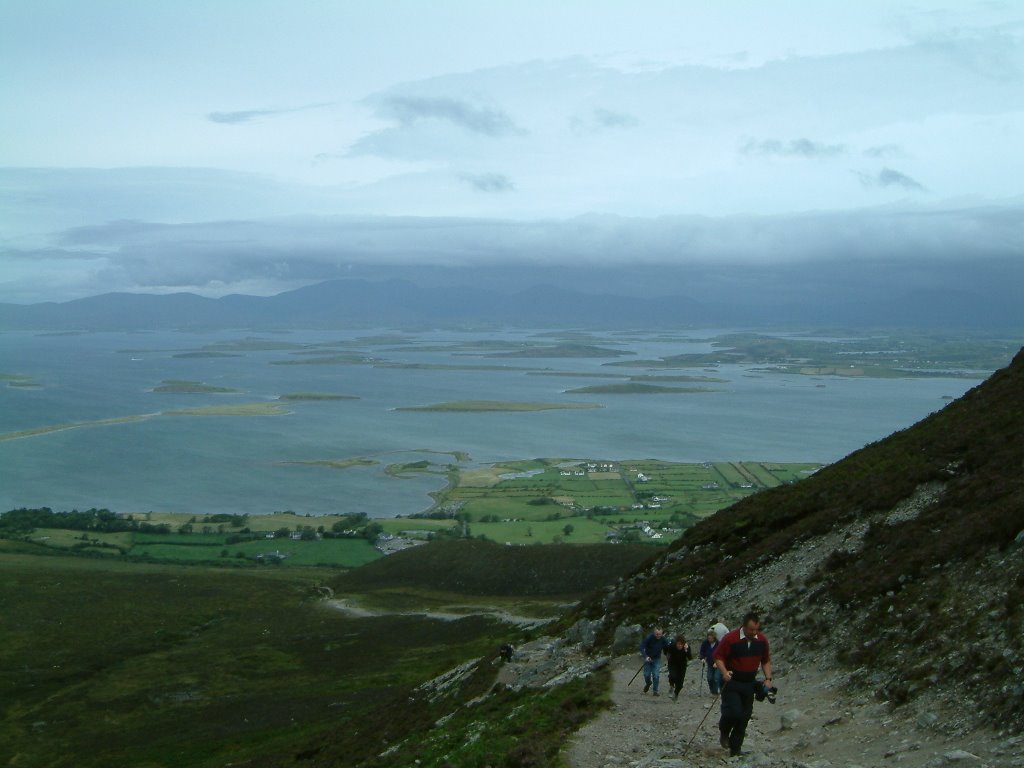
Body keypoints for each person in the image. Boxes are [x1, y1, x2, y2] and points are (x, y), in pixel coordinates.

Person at [713, 612, 773, 757]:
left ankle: (735, 749)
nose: (754, 632)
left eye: (756, 629)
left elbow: (765, 660)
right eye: (751, 629)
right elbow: (718, 656)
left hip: (749, 683)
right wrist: (724, 672)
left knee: (744, 717)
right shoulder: (730, 639)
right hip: (732, 682)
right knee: (733, 712)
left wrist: (768, 678)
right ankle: (724, 730)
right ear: (744, 626)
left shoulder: (762, 641)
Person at [639, 626, 670, 695]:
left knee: (656, 675)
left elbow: (668, 647)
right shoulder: (649, 638)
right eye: (656, 634)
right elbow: (641, 647)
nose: (658, 635)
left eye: (659, 634)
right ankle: (648, 683)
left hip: (657, 659)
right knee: (646, 674)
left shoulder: (663, 639)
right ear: (654, 633)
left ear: (662, 633)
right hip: (648, 658)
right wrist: (645, 656)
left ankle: (655, 691)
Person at [663, 634, 692, 700]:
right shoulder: (672, 645)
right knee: (672, 675)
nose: (679, 646)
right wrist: (667, 655)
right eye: (678, 644)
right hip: (672, 663)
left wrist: (686, 650)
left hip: (682, 665)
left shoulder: (686, 647)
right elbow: (665, 648)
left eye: (681, 644)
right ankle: (671, 686)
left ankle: (676, 693)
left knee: (680, 683)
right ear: (676, 643)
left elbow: (690, 658)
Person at [699, 628, 723, 694]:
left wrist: (717, 662)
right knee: (709, 678)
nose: (709, 640)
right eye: (708, 638)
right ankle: (712, 690)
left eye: (711, 638)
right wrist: (702, 658)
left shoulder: (719, 644)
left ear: (714, 637)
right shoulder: (705, 643)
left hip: (718, 664)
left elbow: (722, 654)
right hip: (709, 663)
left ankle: (715, 692)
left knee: (716, 678)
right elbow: (702, 652)